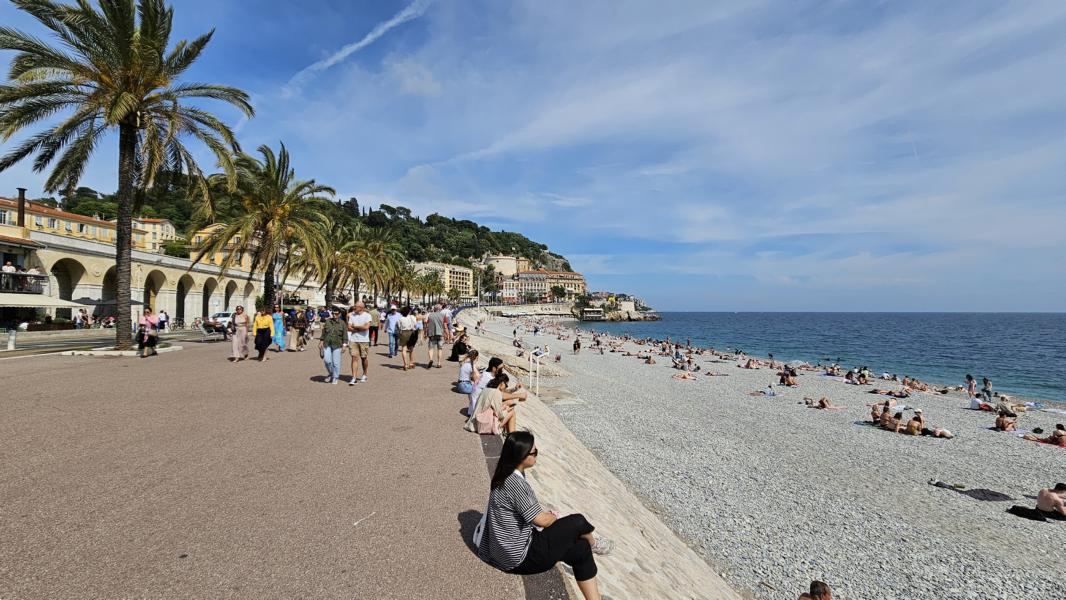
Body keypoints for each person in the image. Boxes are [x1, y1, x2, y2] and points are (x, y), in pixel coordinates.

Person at [477, 432, 611, 600]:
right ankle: (595, 544)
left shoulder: (504, 474)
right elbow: (541, 520)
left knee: (580, 549)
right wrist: (552, 516)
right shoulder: (514, 483)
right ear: (521, 457)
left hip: (506, 551)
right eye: (534, 452)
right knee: (577, 521)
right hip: (518, 557)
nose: (536, 454)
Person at [346, 302, 372, 384]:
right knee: (354, 358)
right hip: (353, 340)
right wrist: (358, 328)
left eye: (356, 307)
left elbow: (366, 327)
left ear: (361, 307)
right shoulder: (352, 315)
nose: (354, 308)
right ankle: (354, 377)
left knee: (364, 358)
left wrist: (355, 326)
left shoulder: (367, 316)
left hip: (364, 340)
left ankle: (364, 374)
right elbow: (349, 327)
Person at [319, 309, 347, 384]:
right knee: (327, 361)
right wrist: (321, 341)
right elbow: (324, 333)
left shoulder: (342, 323)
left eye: (336, 314)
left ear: (340, 314)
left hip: (337, 344)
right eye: (333, 314)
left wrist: (344, 345)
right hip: (327, 343)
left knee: (336, 363)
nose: (334, 315)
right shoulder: (328, 321)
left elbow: (345, 335)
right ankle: (331, 373)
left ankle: (335, 377)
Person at [396, 306, 418, 370]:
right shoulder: (412, 317)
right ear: (409, 311)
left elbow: (398, 326)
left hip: (403, 333)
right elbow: (415, 325)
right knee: (411, 349)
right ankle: (411, 362)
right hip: (411, 332)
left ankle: (405, 364)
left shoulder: (400, 319)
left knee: (404, 349)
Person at [425, 304, 446, 368]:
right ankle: (439, 363)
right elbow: (445, 326)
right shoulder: (443, 316)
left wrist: (425, 333)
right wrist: (447, 334)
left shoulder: (430, 315)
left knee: (431, 348)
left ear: (434, 309)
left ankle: (431, 359)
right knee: (440, 349)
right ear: (440, 309)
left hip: (432, 334)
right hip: (440, 334)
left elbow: (427, 325)